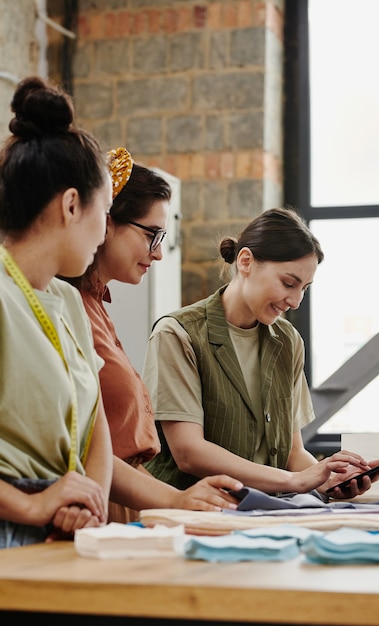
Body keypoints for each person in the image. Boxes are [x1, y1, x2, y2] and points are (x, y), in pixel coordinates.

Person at [142, 207, 379, 499]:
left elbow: (293, 453)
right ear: (246, 262)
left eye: (304, 288)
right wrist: (293, 482)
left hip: (267, 515)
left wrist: (329, 480)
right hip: (198, 515)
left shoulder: (288, 341)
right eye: (288, 283)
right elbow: (189, 453)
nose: (295, 301)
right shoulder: (178, 334)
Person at [62, 147, 244, 523]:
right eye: (152, 235)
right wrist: (177, 501)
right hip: (100, 501)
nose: (158, 254)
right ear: (105, 221)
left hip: (127, 497)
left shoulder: (96, 306)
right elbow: (82, 450)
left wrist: (182, 502)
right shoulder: (67, 304)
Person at [0, 76, 113, 548]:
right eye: (105, 211)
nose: (105, 233)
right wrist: (30, 505)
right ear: (71, 204)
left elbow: (97, 428)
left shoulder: (67, 301)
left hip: (62, 527)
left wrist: (89, 504)